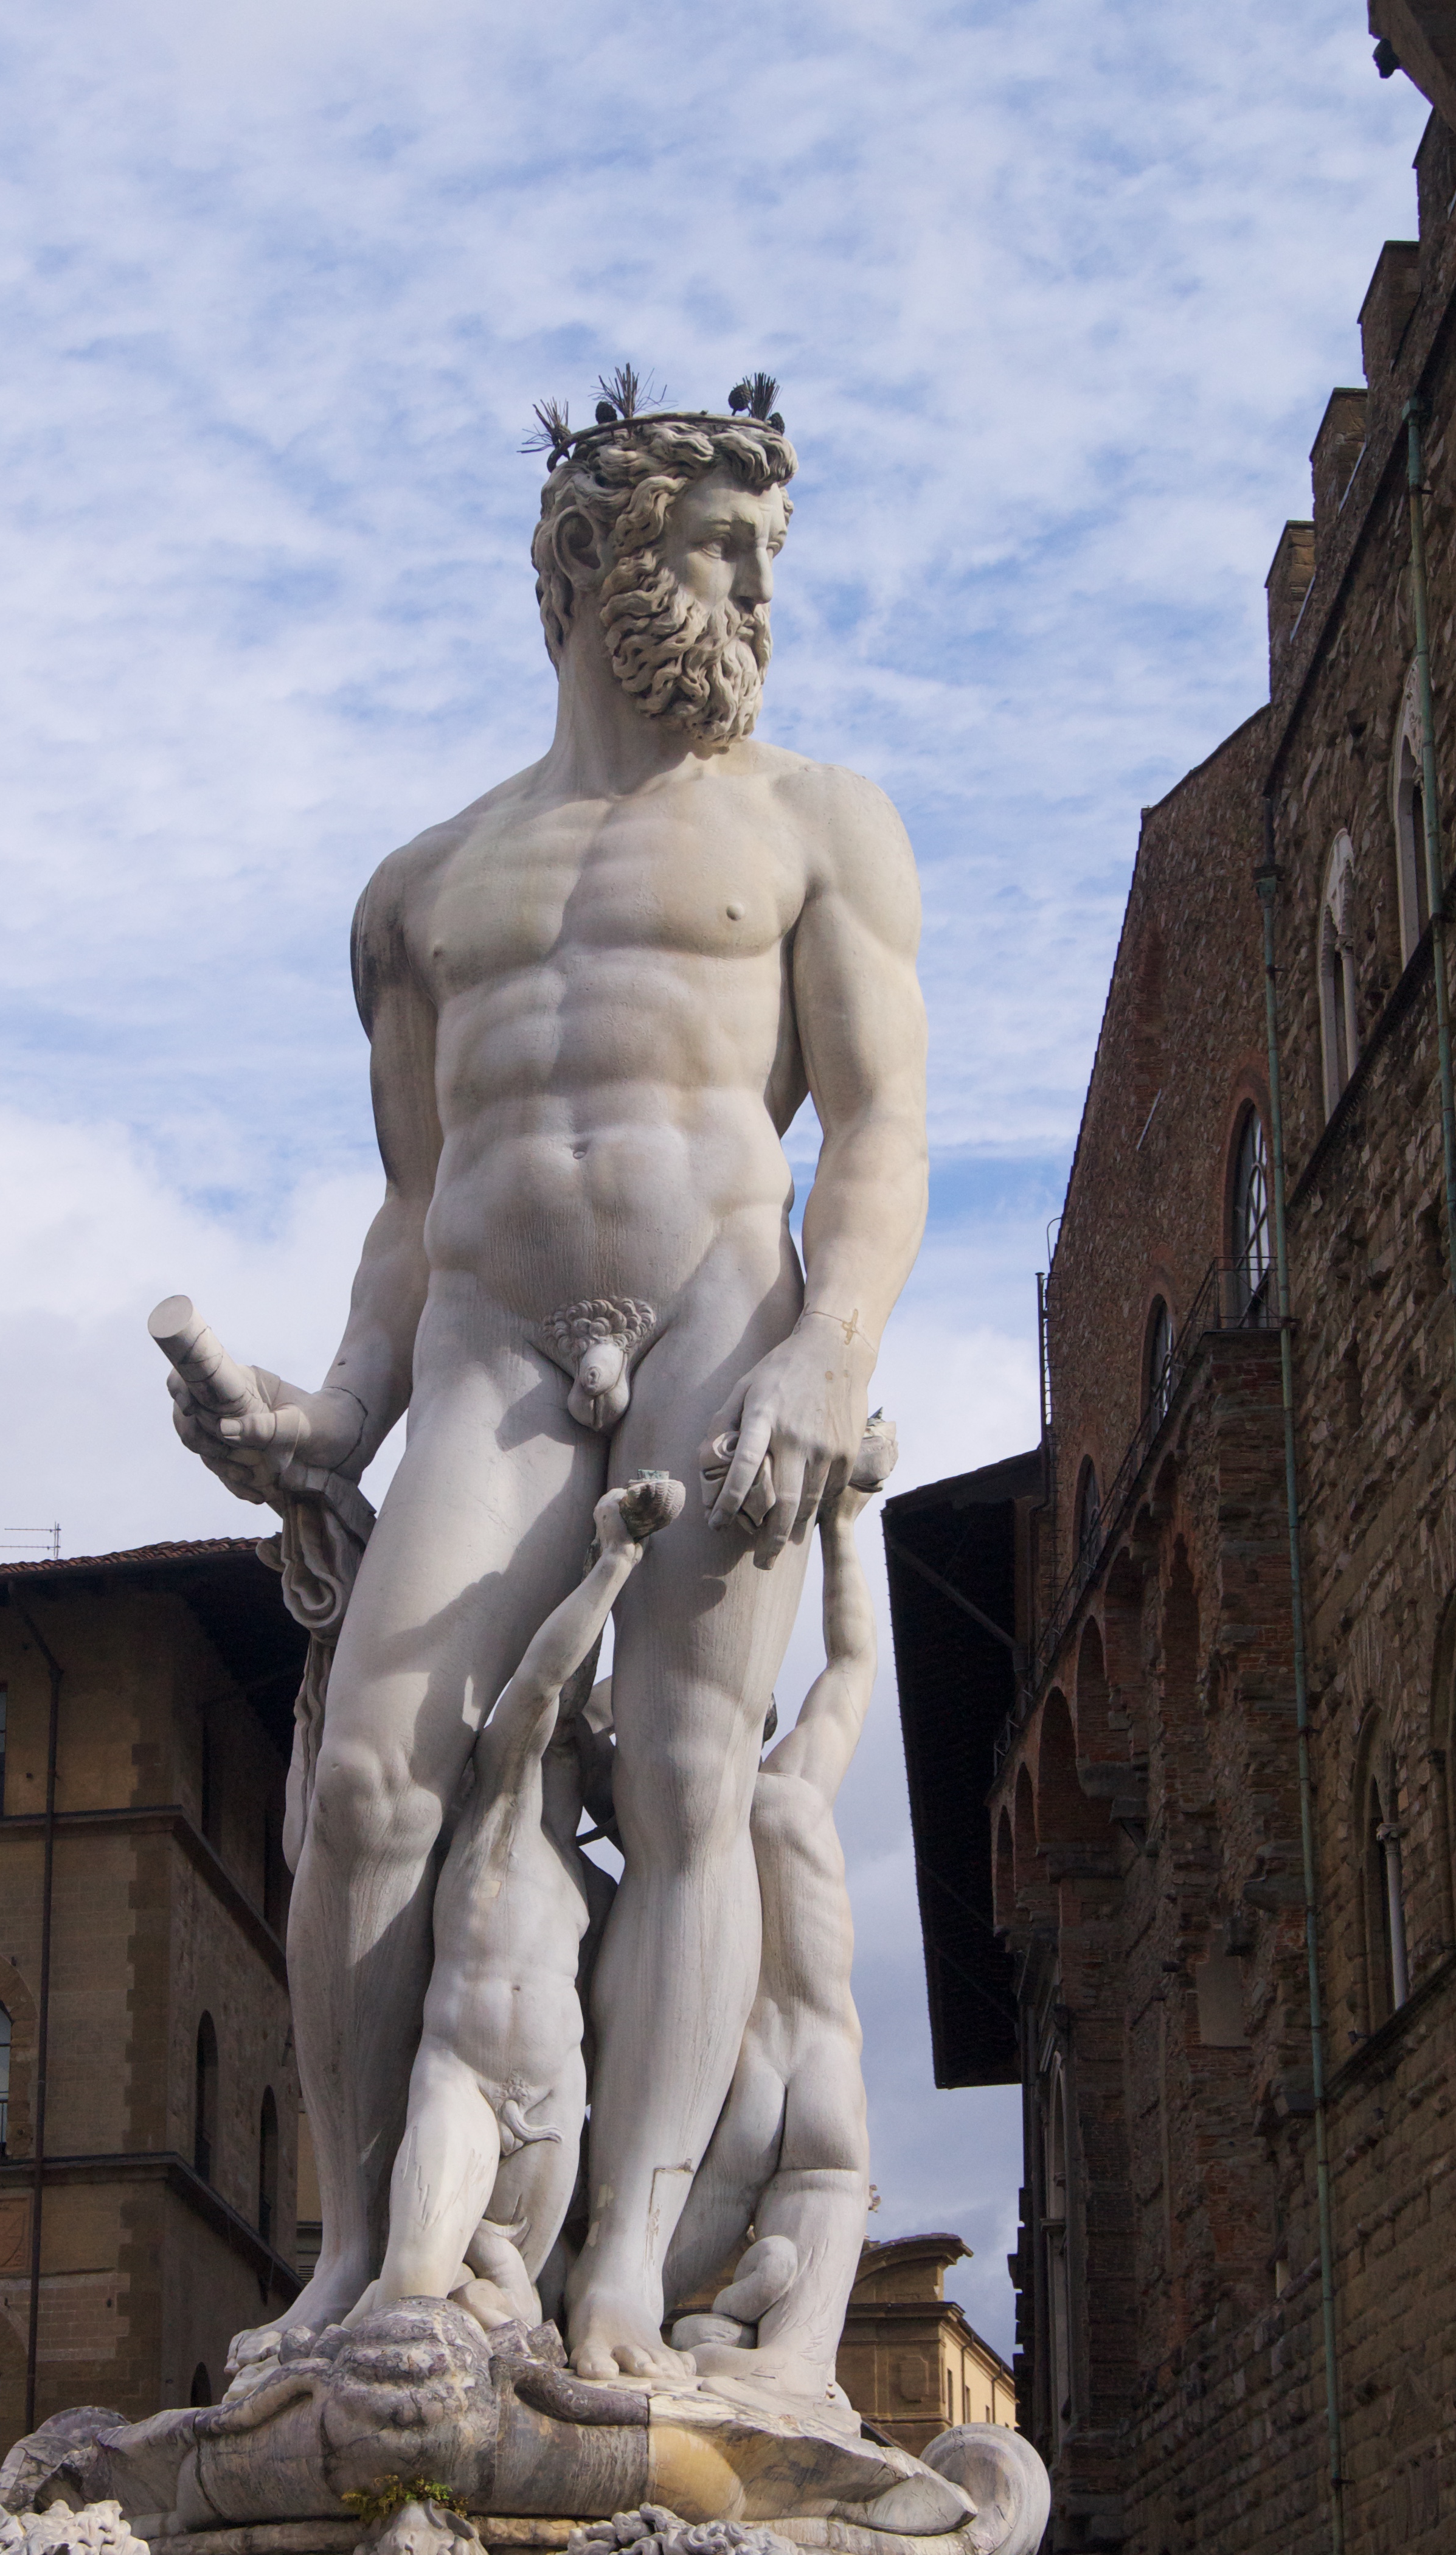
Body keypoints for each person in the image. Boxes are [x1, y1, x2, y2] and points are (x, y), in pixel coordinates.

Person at [172, 377, 927, 2382]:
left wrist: (826, 1353)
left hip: (718, 1316)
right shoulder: (423, 887)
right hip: (490, 1340)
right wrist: (331, 1412)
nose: (759, 595)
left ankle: (621, 2280)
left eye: (768, 558)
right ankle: (360, 2262)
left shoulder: (817, 822)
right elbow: (412, 1201)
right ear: (602, 557)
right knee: (365, 1782)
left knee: (686, 1777)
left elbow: (878, 1133)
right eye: (725, 550)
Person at [359, 1475, 684, 2330]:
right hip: (461, 2084)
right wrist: (615, 1560)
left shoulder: (596, 1891)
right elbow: (542, 1685)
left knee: (515, 2315)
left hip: (553, 2101)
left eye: (582, 1743)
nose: (564, 1739)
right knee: (415, 2283)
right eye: (563, 1737)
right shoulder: (498, 1809)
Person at [664, 1419, 896, 2421]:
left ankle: (683, 2332)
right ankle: (784, 2359)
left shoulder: (678, 1826)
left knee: (629, 2290)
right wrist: (845, 1522)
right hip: (828, 2062)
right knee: (804, 2354)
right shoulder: (792, 1786)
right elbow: (851, 1664)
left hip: (746, 2073)